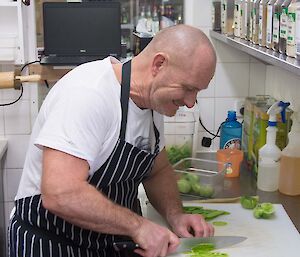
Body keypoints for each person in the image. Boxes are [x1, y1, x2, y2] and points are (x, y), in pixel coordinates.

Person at [9, 24, 216, 257]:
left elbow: (158, 170)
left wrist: (175, 215)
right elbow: (60, 193)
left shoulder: (153, 101)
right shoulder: (88, 94)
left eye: (197, 92)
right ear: (159, 64)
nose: (190, 102)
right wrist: (138, 226)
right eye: (188, 88)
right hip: (53, 243)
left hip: (108, 245)